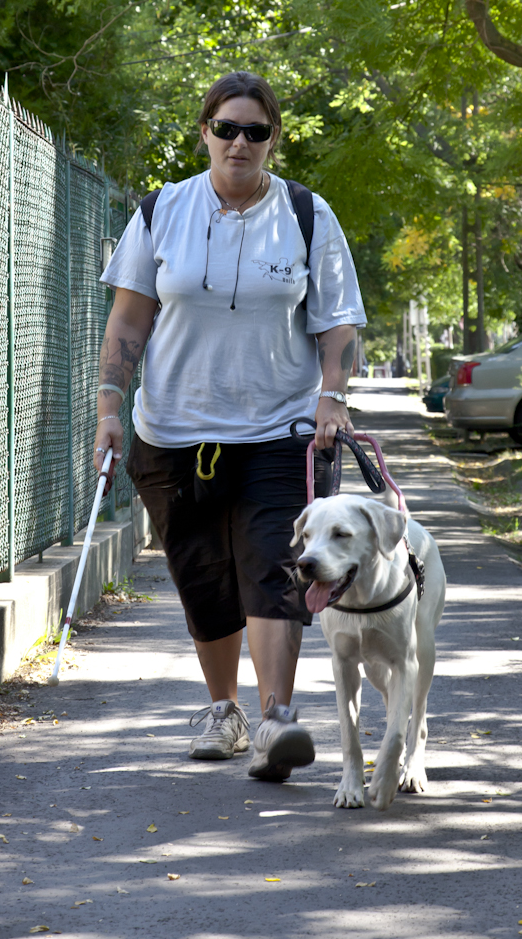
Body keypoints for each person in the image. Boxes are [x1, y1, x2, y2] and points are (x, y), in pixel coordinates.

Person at [92, 72, 366, 782]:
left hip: (279, 429)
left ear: (274, 138)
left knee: (276, 570)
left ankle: (276, 719)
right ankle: (224, 710)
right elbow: (129, 317)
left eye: (255, 131)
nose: (239, 142)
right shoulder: (162, 211)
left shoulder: (307, 214)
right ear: (204, 132)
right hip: (172, 430)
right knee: (202, 576)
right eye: (226, 128)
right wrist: (107, 405)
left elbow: (336, 324)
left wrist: (331, 395)